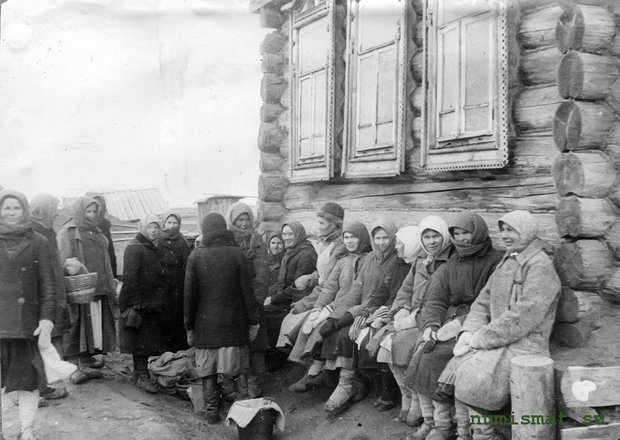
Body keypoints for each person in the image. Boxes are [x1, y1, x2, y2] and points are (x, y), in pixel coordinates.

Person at [448, 211, 560, 440]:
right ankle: (465, 433)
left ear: (527, 231)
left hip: (526, 344)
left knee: (475, 378)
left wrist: (482, 338)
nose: (505, 235)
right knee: (455, 367)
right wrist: (469, 331)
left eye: (512, 230)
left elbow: (523, 316)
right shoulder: (508, 260)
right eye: (503, 230)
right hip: (499, 339)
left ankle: (485, 435)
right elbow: (482, 301)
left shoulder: (540, 265)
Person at [404, 212, 503, 440]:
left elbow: (491, 303)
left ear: (477, 233)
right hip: (449, 323)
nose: (461, 238)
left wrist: (461, 323)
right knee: (423, 355)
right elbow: (435, 299)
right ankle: (436, 423)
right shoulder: (452, 263)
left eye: (465, 233)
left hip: (479, 325)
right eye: (456, 234)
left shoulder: (496, 262)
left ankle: (461, 429)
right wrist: (431, 324)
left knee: (446, 360)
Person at [317, 220, 409, 415]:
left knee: (347, 334)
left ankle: (351, 384)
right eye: (378, 238)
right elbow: (356, 291)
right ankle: (347, 381)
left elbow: (389, 296)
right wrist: (336, 315)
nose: (381, 242)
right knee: (335, 330)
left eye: (386, 238)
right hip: (368, 307)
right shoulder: (371, 259)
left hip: (382, 310)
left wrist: (358, 314)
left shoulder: (397, 261)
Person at [184, 213, 260, 424]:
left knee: (208, 369)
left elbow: (189, 297)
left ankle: (211, 411)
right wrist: (253, 320)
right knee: (238, 368)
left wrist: (189, 325)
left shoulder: (195, 256)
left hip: (205, 325)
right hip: (234, 324)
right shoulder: (237, 254)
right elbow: (248, 292)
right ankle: (242, 412)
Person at [377, 217, 452, 427]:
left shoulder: (450, 261)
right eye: (427, 237)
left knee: (406, 345)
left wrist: (416, 318)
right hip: (412, 315)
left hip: (434, 319)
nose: (431, 241)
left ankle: (418, 400)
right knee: (386, 344)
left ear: (444, 236)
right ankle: (407, 395)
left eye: (436, 236)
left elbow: (443, 300)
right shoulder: (421, 259)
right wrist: (401, 308)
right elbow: (406, 288)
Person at [287, 221, 372, 392]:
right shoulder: (342, 261)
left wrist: (333, 309)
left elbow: (357, 293)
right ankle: (316, 371)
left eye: (354, 237)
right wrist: (318, 307)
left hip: (356, 308)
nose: (349, 241)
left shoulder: (368, 261)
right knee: (311, 323)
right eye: (346, 237)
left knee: (328, 329)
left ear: (362, 238)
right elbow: (329, 288)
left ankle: (340, 377)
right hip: (336, 306)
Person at [0, 190, 56, 440]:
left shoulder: (38, 241)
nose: (11, 213)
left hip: (26, 323)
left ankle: (27, 430)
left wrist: (46, 319)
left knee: (29, 379)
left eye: (16, 208)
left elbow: (48, 284)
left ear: (24, 210)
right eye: (6, 208)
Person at [57, 196, 117, 382]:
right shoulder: (69, 233)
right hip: (79, 288)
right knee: (76, 326)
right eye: (87, 211)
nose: (91, 215)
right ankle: (73, 369)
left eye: (94, 212)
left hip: (98, 287)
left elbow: (106, 261)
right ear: (79, 212)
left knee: (91, 327)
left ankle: (84, 362)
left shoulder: (99, 233)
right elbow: (62, 261)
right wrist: (70, 268)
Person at [119, 215, 168, 393]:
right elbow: (130, 278)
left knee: (142, 339)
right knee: (140, 338)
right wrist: (136, 302)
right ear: (143, 228)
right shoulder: (135, 247)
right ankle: (142, 375)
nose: (153, 231)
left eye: (156, 227)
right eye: (149, 227)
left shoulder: (154, 247)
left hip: (150, 301)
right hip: (139, 301)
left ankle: (137, 373)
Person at [30, 193, 71, 402]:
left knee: (49, 339)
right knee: (40, 341)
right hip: (41, 295)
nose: (56, 212)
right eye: (53, 208)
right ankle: (37, 389)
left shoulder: (47, 229)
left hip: (52, 291)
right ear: (43, 209)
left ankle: (42, 386)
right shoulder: (35, 231)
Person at [226, 202, 269, 397]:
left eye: (246, 219)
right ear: (232, 221)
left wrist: (256, 301)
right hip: (234, 301)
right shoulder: (228, 241)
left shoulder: (257, 240)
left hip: (253, 301)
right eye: (239, 220)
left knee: (256, 344)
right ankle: (238, 385)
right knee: (236, 345)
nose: (244, 224)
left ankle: (254, 385)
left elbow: (263, 273)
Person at [263, 222, 318, 351]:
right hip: (286, 297)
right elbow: (281, 283)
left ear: (298, 235)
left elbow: (297, 288)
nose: (286, 238)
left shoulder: (306, 254)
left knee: (268, 315)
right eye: (284, 234)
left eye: (290, 234)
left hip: (297, 301)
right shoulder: (291, 252)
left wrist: (273, 299)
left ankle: (276, 355)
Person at [159, 212, 191, 353]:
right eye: (169, 222)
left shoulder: (183, 242)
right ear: (164, 224)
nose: (172, 226)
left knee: (177, 318)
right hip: (162, 286)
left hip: (178, 286)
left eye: (175, 223)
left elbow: (187, 265)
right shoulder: (158, 241)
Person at [85, 192, 117, 278]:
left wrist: (113, 276)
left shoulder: (104, 225)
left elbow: (110, 253)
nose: (97, 208)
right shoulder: (81, 225)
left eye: (99, 205)